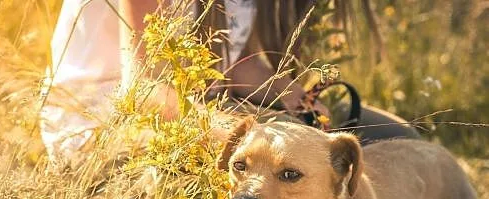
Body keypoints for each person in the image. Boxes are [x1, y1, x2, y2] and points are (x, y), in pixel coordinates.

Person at [40, 0, 419, 165]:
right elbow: (141, 90)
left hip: (193, 111)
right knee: (289, 158)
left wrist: (295, 98)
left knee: (396, 138)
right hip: (104, 126)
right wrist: (241, 133)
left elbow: (236, 67)